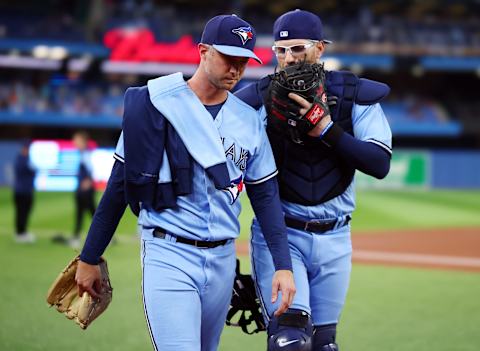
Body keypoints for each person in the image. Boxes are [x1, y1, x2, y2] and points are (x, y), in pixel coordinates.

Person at [74, 14, 296, 351]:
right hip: (168, 253)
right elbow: (119, 189)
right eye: (228, 57)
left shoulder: (249, 120)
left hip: (223, 260)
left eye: (244, 61)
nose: (236, 69)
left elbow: (266, 199)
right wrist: (89, 258)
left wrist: (283, 266)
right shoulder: (154, 105)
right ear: (203, 51)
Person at [235, 9, 392, 351]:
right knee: (289, 341)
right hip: (283, 233)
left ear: (319, 48)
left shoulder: (352, 94)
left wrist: (327, 130)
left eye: (297, 49)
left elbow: (379, 164)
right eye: (280, 50)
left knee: (324, 345)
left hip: (336, 236)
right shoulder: (254, 101)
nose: (288, 58)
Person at [71, 131, 96, 248]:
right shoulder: (82, 153)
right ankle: (76, 236)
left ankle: (76, 237)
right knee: (86, 213)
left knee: (92, 214)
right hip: (82, 190)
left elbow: (90, 170)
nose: (74, 142)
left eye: (77, 140)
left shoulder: (86, 154)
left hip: (85, 191)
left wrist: (88, 181)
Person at [13, 141, 36, 243]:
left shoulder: (27, 159)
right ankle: (20, 233)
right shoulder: (21, 159)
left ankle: (23, 231)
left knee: (26, 211)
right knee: (21, 212)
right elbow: (28, 170)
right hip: (21, 191)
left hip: (27, 190)